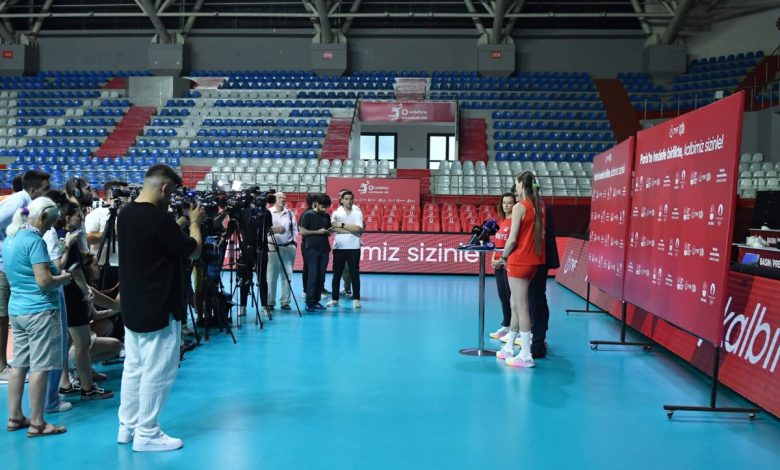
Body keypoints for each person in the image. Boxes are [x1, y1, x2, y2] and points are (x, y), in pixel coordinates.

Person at [116, 164, 204, 452]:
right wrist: (194, 223)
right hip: (159, 304)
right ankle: (147, 432)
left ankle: (128, 426)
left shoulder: (126, 213)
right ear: (165, 187)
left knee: (134, 367)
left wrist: (178, 223)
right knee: (159, 370)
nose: (172, 198)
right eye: (172, 191)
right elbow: (193, 250)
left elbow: (155, 241)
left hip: (134, 302)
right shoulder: (159, 219)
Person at [3, 197, 72, 437]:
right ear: (42, 217)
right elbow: (44, 281)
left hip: (17, 310)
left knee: (19, 365)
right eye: (50, 223)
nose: (49, 228)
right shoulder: (34, 241)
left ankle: (15, 417)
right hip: (40, 311)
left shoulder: (10, 238)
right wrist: (63, 278)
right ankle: (38, 423)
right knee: (40, 367)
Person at [55, 202, 113, 400]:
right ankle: (87, 388)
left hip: (62, 294)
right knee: (83, 343)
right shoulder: (69, 239)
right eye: (78, 215)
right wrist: (86, 291)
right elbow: (76, 271)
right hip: (73, 294)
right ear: (67, 217)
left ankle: (65, 384)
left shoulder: (56, 235)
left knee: (67, 342)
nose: (81, 219)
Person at [0, 170, 51, 384]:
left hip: (19, 266)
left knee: (15, 314)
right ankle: (1, 367)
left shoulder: (35, 205)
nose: (49, 192)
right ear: (32, 190)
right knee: (2, 316)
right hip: (4, 266)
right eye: (46, 188)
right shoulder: (17, 201)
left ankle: (19, 363)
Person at [495, 171, 545, 368]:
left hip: (519, 261)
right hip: (533, 261)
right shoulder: (538, 206)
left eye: (516, 184)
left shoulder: (519, 207)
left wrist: (503, 258)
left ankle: (525, 354)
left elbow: (512, 239)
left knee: (521, 306)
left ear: (522, 185)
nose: (515, 187)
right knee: (515, 303)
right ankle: (509, 347)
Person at [528, 199, 559, 358]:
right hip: (534, 260)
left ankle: (537, 341)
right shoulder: (538, 205)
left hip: (534, 260)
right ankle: (533, 338)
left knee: (535, 299)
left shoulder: (536, 206)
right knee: (535, 299)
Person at [84, 180, 128, 291]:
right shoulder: (97, 214)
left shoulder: (131, 214)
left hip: (127, 266)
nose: (127, 197)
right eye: (123, 193)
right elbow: (87, 238)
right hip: (103, 266)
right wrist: (110, 232)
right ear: (113, 194)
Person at [326, 190, 363, 309]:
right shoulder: (336, 213)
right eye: (346, 199)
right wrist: (351, 229)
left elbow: (359, 229)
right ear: (341, 200)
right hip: (339, 248)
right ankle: (334, 299)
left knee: (354, 274)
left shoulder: (357, 213)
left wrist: (341, 225)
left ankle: (356, 299)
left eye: (350, 199)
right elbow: (333, 229)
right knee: (336, 275)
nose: (349, 201)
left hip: (354, 248)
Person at [489, 192, 517, 340]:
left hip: (508, 263)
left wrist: (503, 259)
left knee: (511, 296)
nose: (506, 205)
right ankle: (506, 325)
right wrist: (494, 257)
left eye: (509, 202)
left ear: (515, 204)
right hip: (498, 264)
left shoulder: (515, 222)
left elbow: (513, 244)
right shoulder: (503, 220)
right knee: (503, 296)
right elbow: (498, 243)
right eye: (504, 202)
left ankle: (515, 329)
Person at [299, 193, 332, 312]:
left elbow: (327, 230)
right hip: (311, 249)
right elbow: (302, 231)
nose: (324, 209)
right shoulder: (308, 214)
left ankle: (316, 301)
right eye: (322, 207)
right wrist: (318, 232)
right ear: (316, 203)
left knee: (321, 277)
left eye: (326, 207)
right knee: (313, 276)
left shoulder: (326, 216)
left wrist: (329, 231)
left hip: (324, 249)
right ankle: (309, 303)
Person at [267, 192, 298, 311]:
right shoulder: (268, 212)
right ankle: (270, 302)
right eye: (280, 197)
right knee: (271, 276)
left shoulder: (289, 213)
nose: (282, 199)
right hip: (272, 248)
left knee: (287, 275)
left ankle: (285, 302)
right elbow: (264, 230)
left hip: (288, 247)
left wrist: (294, 242)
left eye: (284, 198)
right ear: (274, 199)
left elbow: (294, 229)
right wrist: (275, 230)